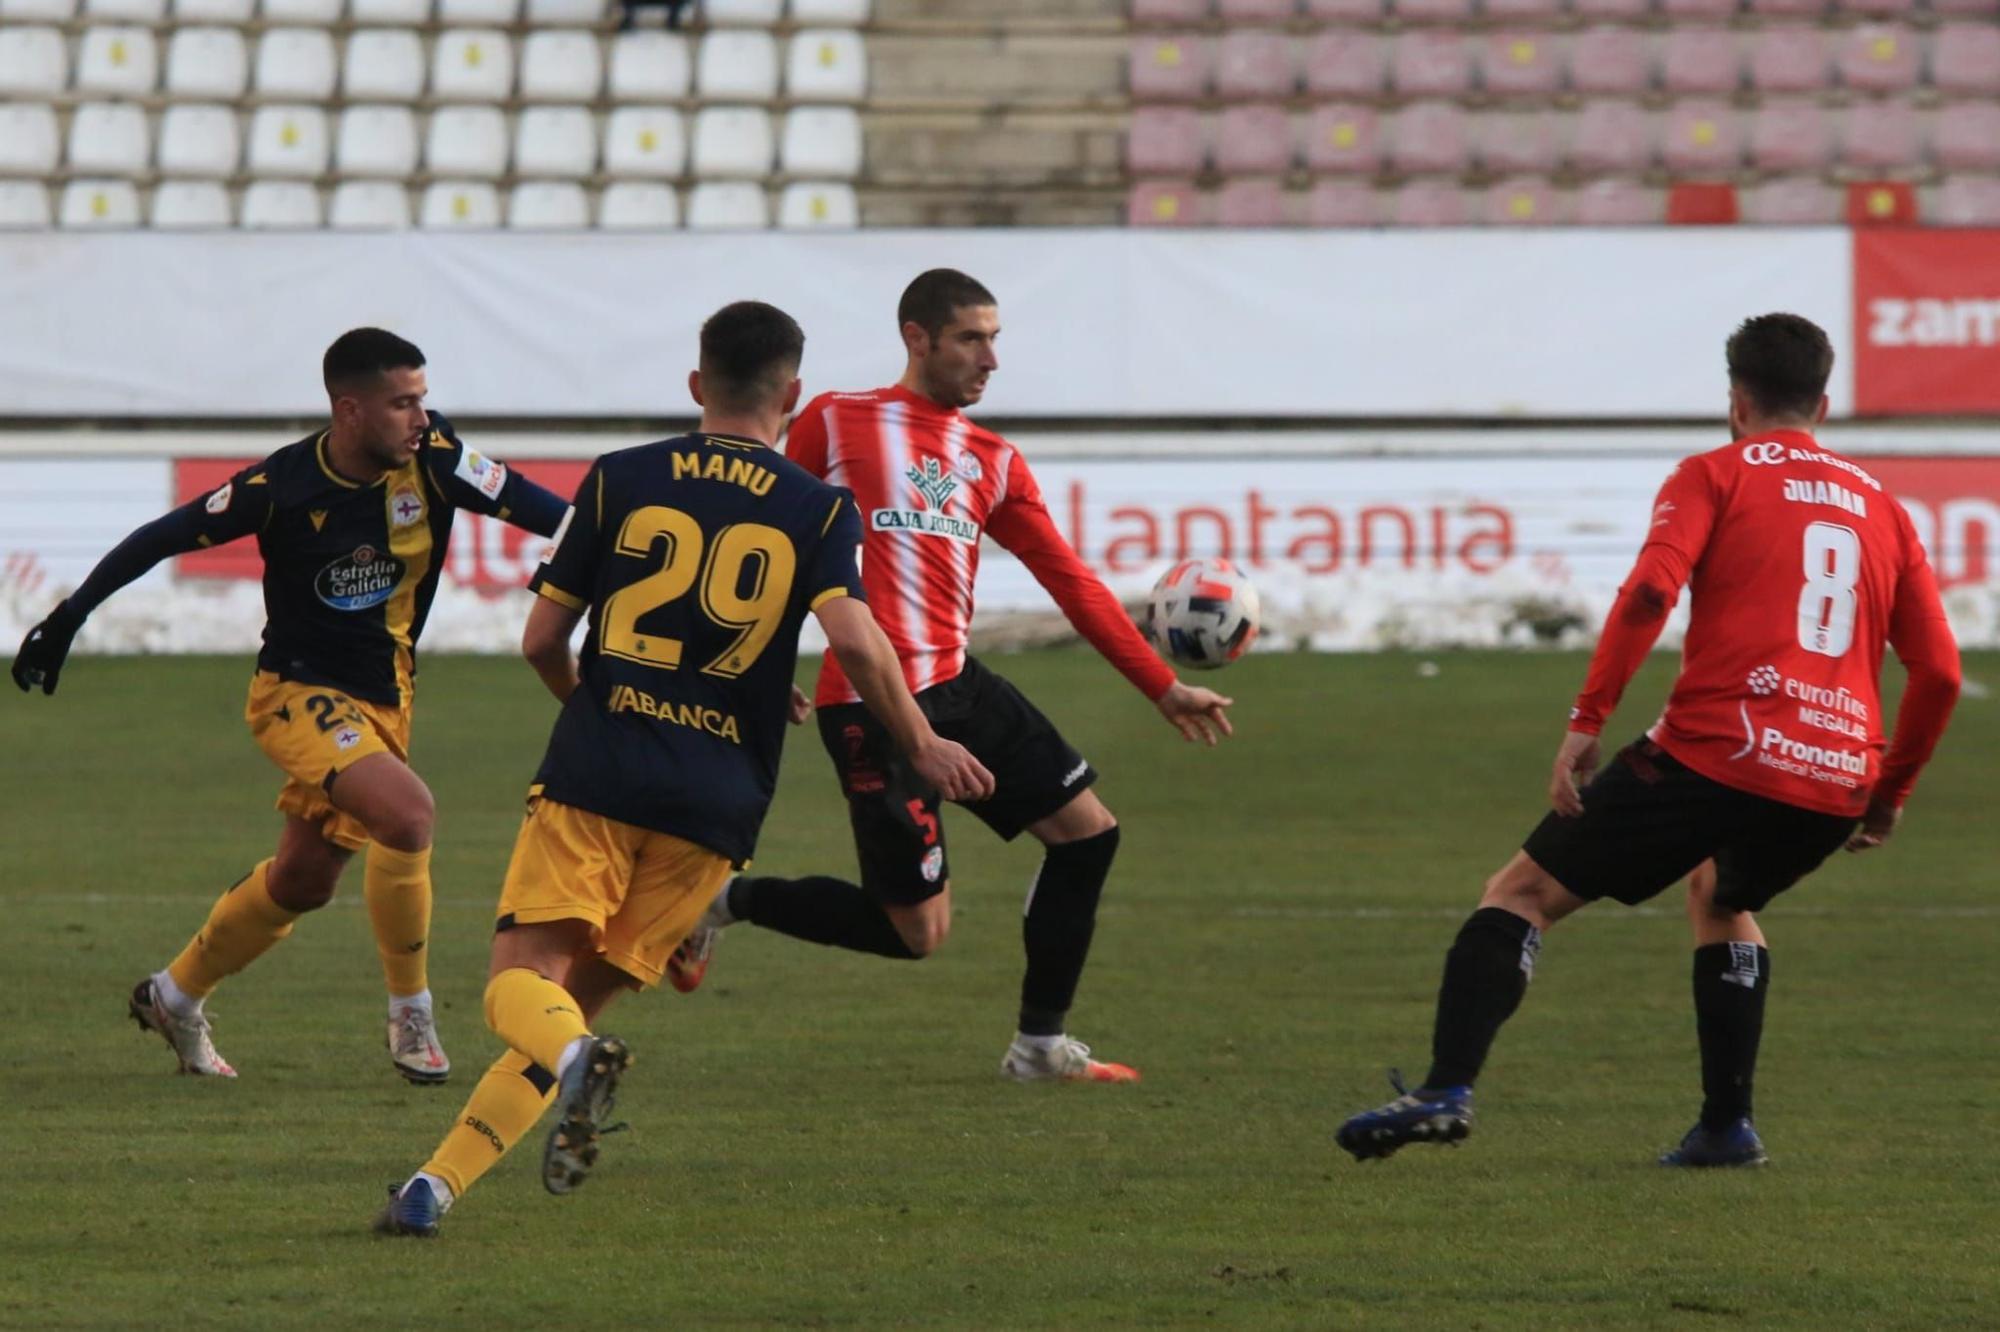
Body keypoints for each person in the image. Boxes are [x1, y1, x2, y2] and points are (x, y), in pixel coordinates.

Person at [373, 300, 992, 1238]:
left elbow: (543, 639)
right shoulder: (818, 507)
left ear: (697, 385)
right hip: (719, 803)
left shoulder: (621, 479)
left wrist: (600, 710)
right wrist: (922, 742)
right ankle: (435, 1187)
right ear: (791, 395)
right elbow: (857, 646)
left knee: (517, 988)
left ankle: (576, 1070)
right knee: (566, 1008)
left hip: (601, 774)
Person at [1335, 313, 1961, 1167]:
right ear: (1821, 402)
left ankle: (1447, 1088)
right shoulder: (1885, 509)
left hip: (1719, 748)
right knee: (1723, 893)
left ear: (1736, 401)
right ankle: (1726, 1127)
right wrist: (1889, 795)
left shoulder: (1713, 474)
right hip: (1833, 775)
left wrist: (1585, 723)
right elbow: (1940, 673)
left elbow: (1646, 596)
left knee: (1520, 893)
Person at [675, 268, 1235, 1085]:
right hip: (872, 702)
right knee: (916, 934)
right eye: (972, 339)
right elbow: (766, 539)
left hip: (961, 684)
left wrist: (1162, 685)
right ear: (918, 337)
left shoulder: (993, 458)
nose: (990, 359)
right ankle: (723, 904)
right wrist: (750, 661)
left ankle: (1040, 1046)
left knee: (1090, 835)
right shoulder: (835, 420)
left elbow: (1070, 581)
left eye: (995, 339)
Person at [9, 328, 569, 1084]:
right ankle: (412, 1014)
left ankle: (172, 995)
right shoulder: (281, 488)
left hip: (386, 702)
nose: (420, 417)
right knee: (408, 815)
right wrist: (69, 616)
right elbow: (160, 537)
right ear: (350, 410)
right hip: (296, 695)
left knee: (304, 881)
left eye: (423, 401)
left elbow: (557, 517)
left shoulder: (438, 462)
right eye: (403, 403)